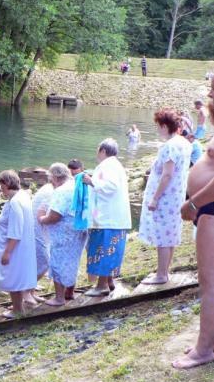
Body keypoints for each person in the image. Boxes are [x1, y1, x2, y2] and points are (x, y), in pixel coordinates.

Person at [172, 78, 214, 369]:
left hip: (210, 208)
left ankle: (204, 349)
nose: (210, 91)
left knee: (210, 283)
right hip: (208, 209)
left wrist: (193, 203)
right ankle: (208, 340)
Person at [138, 108, 192, 285]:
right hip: (176, 196)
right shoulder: (184, 143)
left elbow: (167, 174)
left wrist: (155, 198)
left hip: (166, 197)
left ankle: (161, 275)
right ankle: (164, 272)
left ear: (164, 126)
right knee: (170, 234)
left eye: (158, 126)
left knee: (162, 236)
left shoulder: (170, 146)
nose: (157, 129)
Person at [82, 138, 132, 295]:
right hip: (113, 217)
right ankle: (109, 281)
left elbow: (110, 186)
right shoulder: (114, 165)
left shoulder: (108, 166)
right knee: (110, 250)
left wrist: (91, 182)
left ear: (103, 151)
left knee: (103, 250)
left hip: (107, 218)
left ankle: (101, 285)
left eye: (98, 150)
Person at [38, 163, 88, 306]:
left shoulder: (62, 190)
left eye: (50, 179)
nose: (50, 182)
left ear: (55, 176)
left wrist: (42, 218)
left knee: (58, 262)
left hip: (64, 233)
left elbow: (55, 216)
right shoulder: (76, 185)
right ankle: (70, 292)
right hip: (79, 228)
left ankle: (59, 298)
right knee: (73, 260)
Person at [0, 170, 37, 318]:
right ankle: (18, 306)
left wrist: (7, 252)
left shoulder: (16, 202)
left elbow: (16, 230)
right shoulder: (23, 196)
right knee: (16, 275)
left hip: (15, 246)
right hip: (23, 246)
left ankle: (17, 309)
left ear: (8, 183)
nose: (0, 188)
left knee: (12, 276)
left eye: (1, 185)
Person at [31, 178, 53, 282]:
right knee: (45, 262)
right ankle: (27, 290)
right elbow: (45, 215)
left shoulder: (49, 188)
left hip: (42, 230)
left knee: (38, 262)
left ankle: (31, 290)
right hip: (37, 230)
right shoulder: (50, 191)